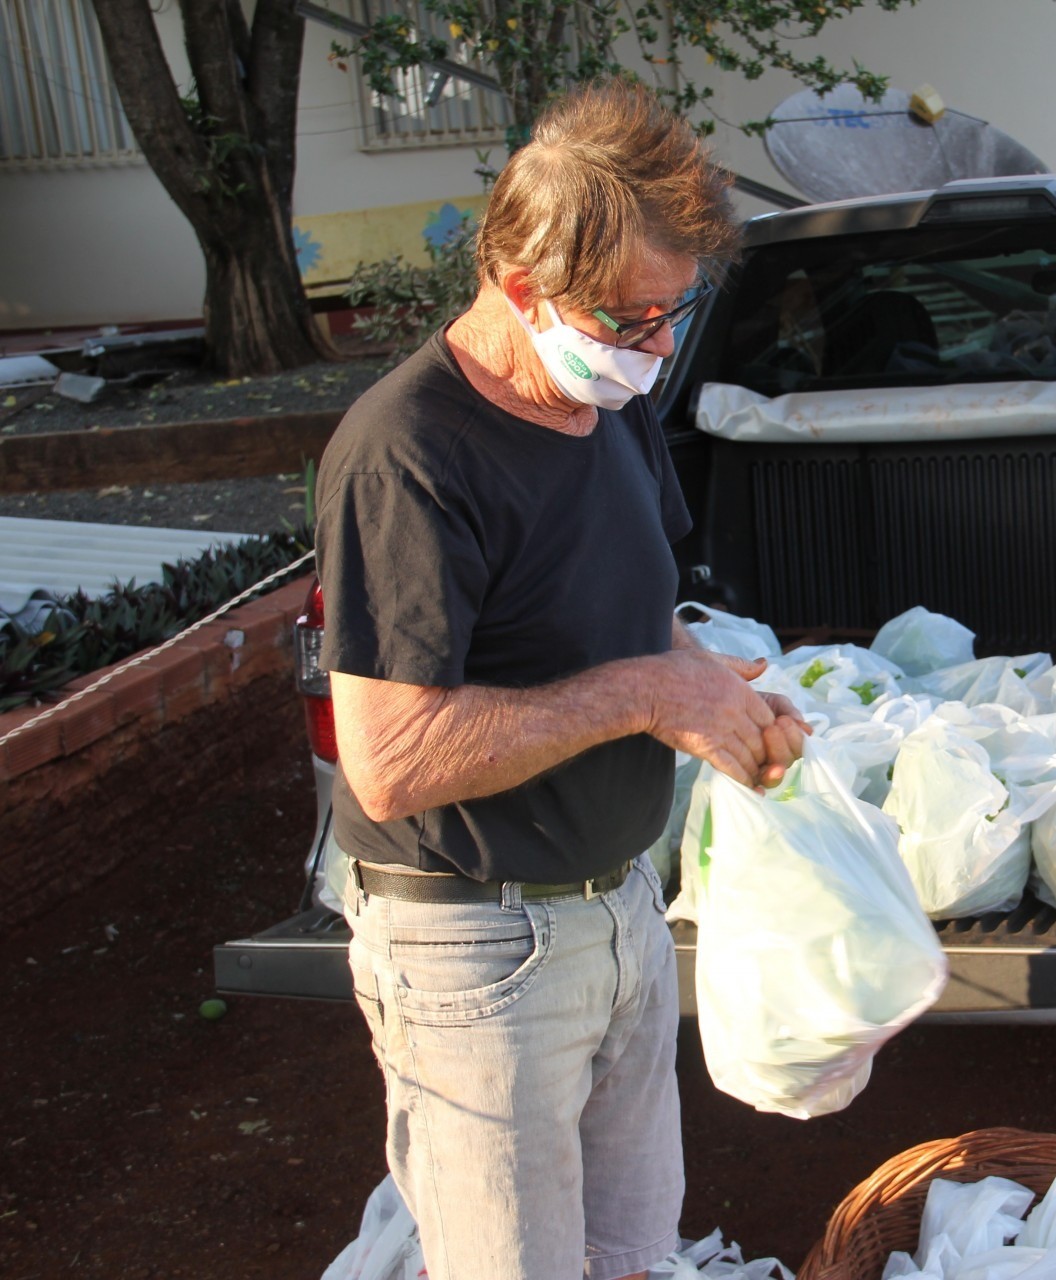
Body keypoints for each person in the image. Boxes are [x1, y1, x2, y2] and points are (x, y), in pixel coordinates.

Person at [315, 81, 808, 1280]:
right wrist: (646, 694)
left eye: (674, 314)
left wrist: (719, 698)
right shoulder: (407, 454)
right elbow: (390, 757)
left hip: (618, 906)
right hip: (475, 949)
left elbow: (635, 626)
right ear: (519, 279)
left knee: (631, 1255)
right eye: (630, 318)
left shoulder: (611, 399)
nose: (655, 349)